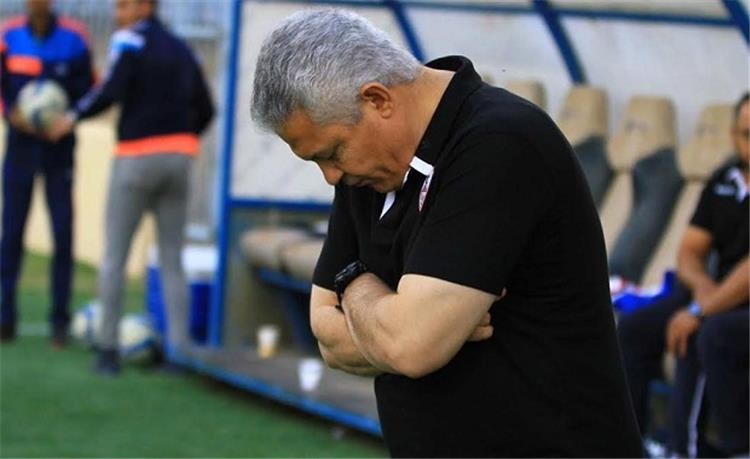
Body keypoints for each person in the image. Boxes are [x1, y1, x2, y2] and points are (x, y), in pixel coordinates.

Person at [251, 9, 642, 457]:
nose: (330, 176)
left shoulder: (500, 141)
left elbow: (411, 347)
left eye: (332, 153)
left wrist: (355, 286)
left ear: (377, 99)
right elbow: (327, 335)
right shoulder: (367, 170)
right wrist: (392, 318)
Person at [48, 0, 215, 375]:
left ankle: (108, 351)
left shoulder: (128, 40)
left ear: (144, 6)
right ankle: (179, 355)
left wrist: (72, 117)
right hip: (180, 159)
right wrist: (182, 139)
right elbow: (206, 108)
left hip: (136, 158)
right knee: (172, 258)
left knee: (115, 256)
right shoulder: (183, 49)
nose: (116, 13)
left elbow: (110, 90)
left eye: (123, 5)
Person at [618, 92, 749, 458]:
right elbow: (690, 251)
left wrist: (700, 309)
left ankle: (706, 449)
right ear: (734, 135)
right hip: (718, 294)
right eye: (746, 134)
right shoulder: (723, 180)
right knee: (635, 328)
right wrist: (703, 289)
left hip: (737, 304)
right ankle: (632, 442)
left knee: (707, 332)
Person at [0, 0, 95, 345]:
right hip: (20, 148)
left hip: (59, 150)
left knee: (62, 233)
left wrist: (67, 119)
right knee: (11, 233)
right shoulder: (8, 35)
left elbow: (90, 90)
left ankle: (59, 321)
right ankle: (5, 316)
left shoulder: (75, 37)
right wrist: (12, 114)